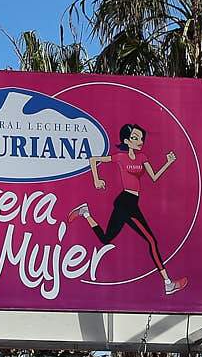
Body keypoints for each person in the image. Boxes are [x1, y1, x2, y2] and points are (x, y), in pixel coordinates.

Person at [68, 122, 187, 295]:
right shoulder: (121, 157)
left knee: (106, 239)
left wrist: (168, 163)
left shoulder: (142, 157)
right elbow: (93, 159)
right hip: (125, 202)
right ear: (127, 140)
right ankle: (168, 283)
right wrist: (96, 179)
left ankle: (85, 213)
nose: (139, 141)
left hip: (131, 202)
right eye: (135, 138)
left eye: (141, 138)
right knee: (151, 241)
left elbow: (153, 177)